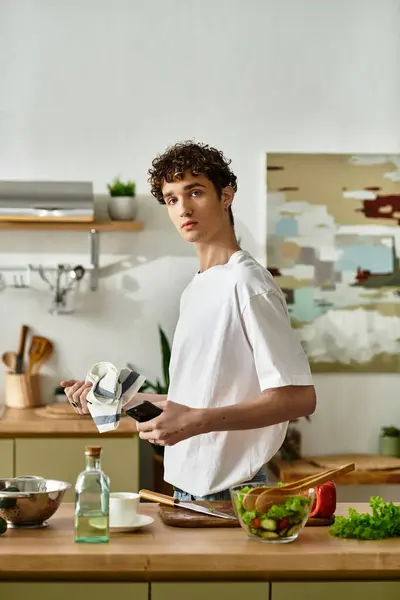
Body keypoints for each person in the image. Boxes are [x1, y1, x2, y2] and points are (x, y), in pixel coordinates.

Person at [61, 141, 316, 501]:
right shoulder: (198, 286)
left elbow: (298, 398)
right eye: (171, 199)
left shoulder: (248, 283)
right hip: (188, 488)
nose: (183, 208)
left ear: (226, 195)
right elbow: (199, 399)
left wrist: (196, 422)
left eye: (195, 192)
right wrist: (118, 400)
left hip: (232, 492)